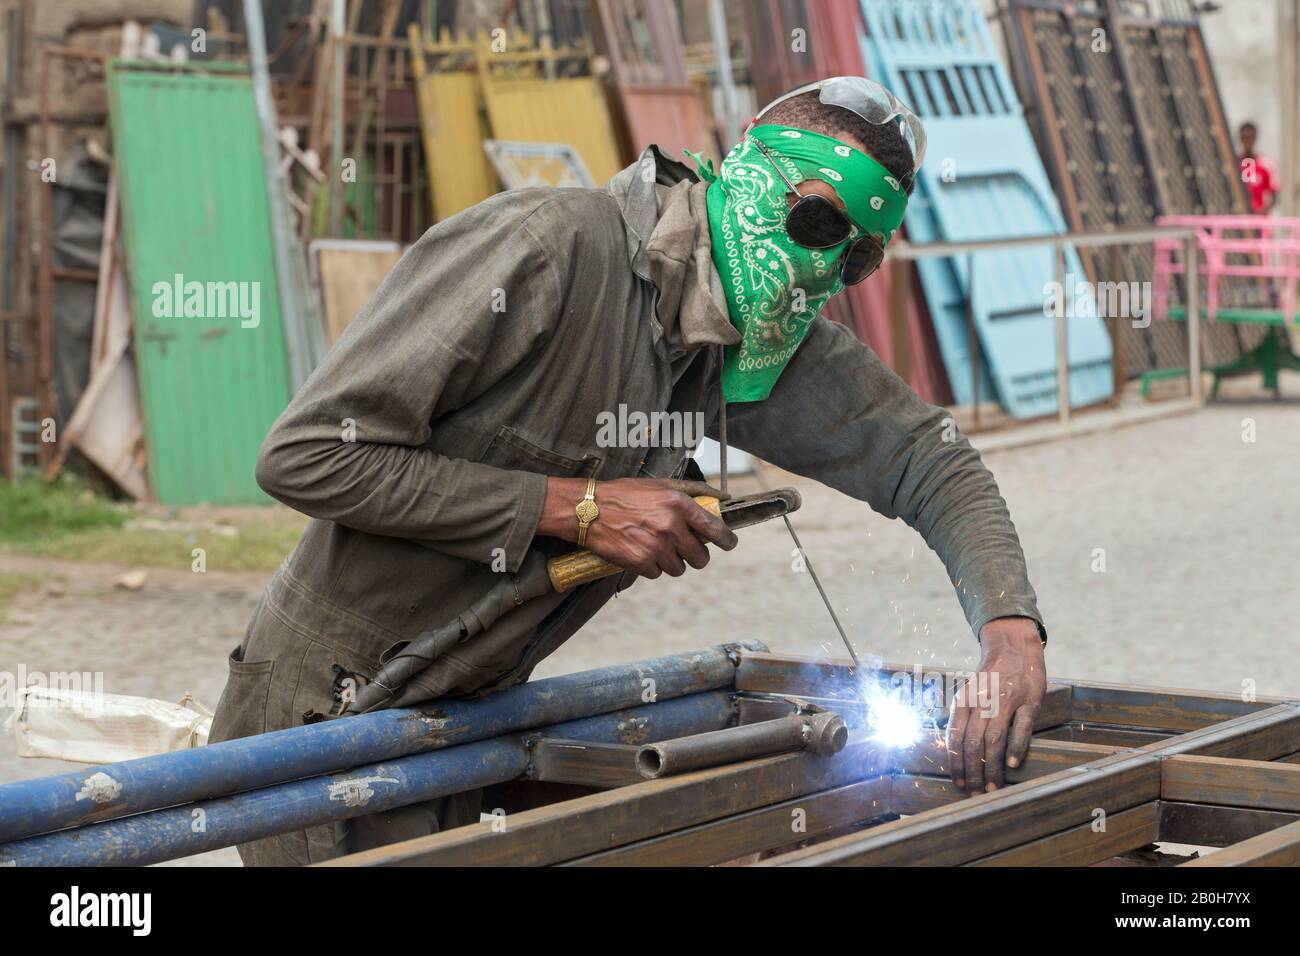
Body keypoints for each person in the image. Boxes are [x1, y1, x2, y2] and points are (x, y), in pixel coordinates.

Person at [209, 76, 1048, 865]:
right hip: (326, 712)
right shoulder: (547, 249)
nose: (829, 269)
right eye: (822, 226)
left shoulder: (753, 341)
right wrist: (577, 510)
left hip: (471, 716)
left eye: (859, 257)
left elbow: (927, 459)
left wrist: (1010, 634)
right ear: (754, 171)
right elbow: (307, 454)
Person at [1239, 121, 1279, 215]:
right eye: (1244, 137)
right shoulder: (1235, 164)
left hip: (1261, 223)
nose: (1247, 141)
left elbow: (1273, 195)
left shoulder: (1267, 164)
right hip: (1240, 222)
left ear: (1255, 138)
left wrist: (1258, 212)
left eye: (1250, 137)